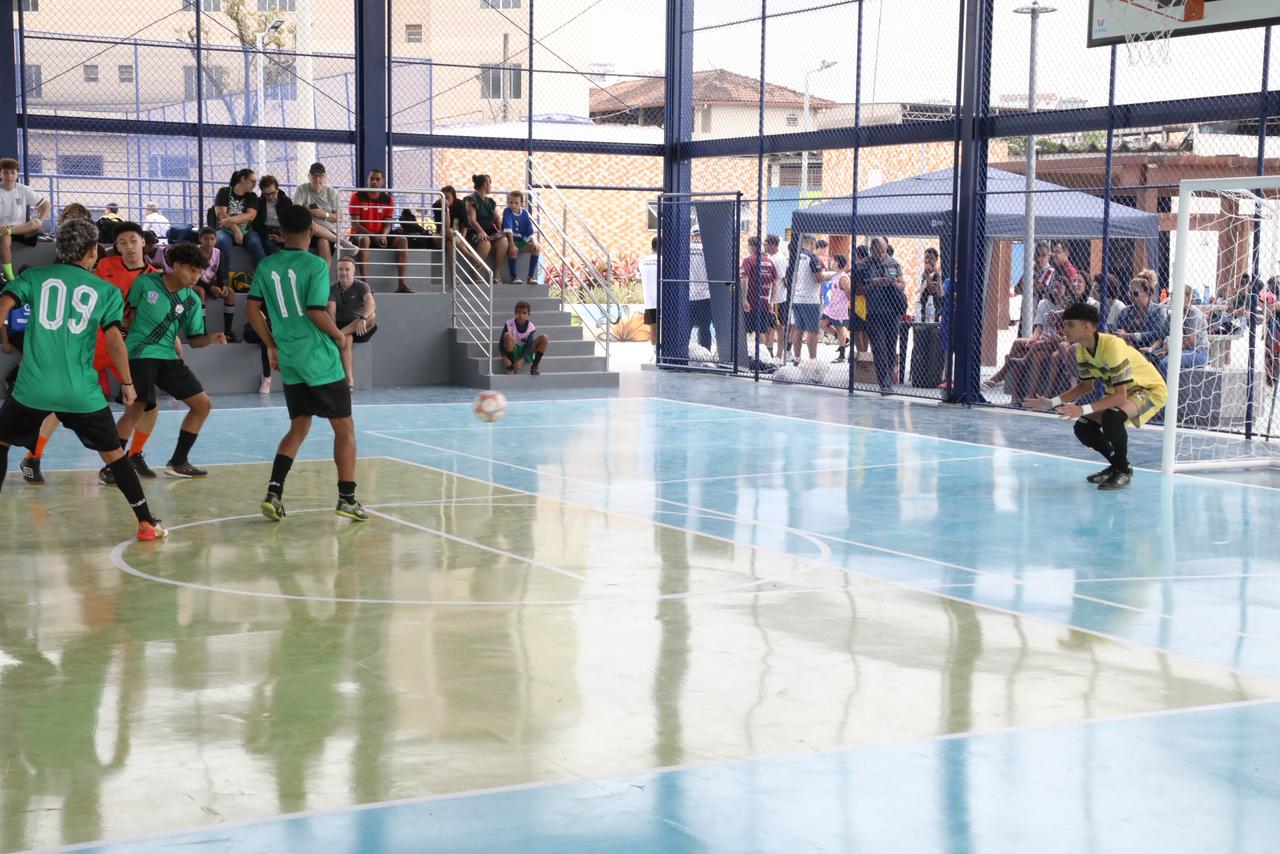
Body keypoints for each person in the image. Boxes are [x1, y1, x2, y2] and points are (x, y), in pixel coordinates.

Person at [0, 217, 167, 541]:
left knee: (3, 440)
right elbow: (116, 339)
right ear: (93, 251)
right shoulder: (105, 291)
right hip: (81, 393)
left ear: (60, 248)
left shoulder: (34, 277)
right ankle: (146, 522)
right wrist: (128, 384)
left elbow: (4, 303)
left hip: (33, 389)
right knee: (115, 456)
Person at [247, 203, 366, 523]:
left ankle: (274, 492)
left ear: (280, 233)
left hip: (289, 357)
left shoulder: (266, 265)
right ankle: (347, 498)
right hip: (318, 357)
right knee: (344, 427)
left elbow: (251, 309)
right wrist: (339, 338)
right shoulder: (315, 264)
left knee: (299, 426)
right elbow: (316, 311)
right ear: (312, 231)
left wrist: (271, 344)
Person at [111, 241, 227, 481]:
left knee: (202, 404)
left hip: (168, 357)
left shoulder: (192, 300)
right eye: (191, 270)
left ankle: (178, 461)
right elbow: (128, 317)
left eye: (199, 272)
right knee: (137, 407)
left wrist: (211, 339)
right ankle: (113, 466)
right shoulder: (146, 283)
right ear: (175, 265)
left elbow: (195, 340)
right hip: (141, 353)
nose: (195, 277)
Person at [1027, 301, 1168, 490]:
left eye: (1070, 324)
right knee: (1083, 427)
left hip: (1148, 389)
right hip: (1125, 393)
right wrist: (1051, 402)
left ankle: (1123, 471)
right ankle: (1119, 465)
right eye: (1065, 324)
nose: (1065, 329)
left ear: (1086, 327)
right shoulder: (1081, 351)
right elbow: (1085, 386)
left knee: (1112, 418)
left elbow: (1119, 396)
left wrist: (1082, 409)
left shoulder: (1112, 346)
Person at [92, 221, 164, 481]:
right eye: (122, 243)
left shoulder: (155, 277)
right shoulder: (105, 267)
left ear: (143, 242)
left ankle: (134, 454)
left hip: (129, 349)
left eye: (133, 240)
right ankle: (34, 457)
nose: (129, 247)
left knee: (146, 404)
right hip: (97, 343)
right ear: (116, 247)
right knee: (62, 402)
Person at [349, 168, 412, 293]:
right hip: (361, 235)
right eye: (372, 178)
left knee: (402, 240)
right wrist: (373, 236)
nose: (374, 182)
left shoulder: (388, 200)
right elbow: (355, 224)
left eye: (377, 179)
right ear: (367, 180)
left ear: (382, 182)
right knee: (365, 240)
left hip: (378, 235)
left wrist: (383, 235)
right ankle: (365, 285)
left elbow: (387, 224)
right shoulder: (356, 196)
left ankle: (401, 284)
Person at [856, 236, 906, 393]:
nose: (882, 256)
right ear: (872, 250)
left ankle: (888, 381)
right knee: (878, 348)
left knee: (891, 347)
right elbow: (857, 290)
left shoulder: (893, 263)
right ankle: (883, 383)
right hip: (874, 313)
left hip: (892, 313)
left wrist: (893, 283)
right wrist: (874, 283)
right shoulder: (863, 265)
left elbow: (902, 284)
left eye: (884, 252)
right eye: (879, 252)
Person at [328, 257, 377, 391]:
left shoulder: (362, 286)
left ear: (353, 272)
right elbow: (331, 313)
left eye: (347, 269)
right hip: (341, 326)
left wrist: (363, 318)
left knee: (372, 315)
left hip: (362, 326)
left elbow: (371, 303)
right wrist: (333, 330)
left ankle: (340, 334)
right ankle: (349, 380)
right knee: (347, 338)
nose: (343, 272)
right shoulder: (332, 288)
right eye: (340, 270)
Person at [0, 157, 50, 282]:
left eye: (13, 172)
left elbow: (46, 205)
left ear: (17, 173)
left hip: (20, 229)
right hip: (2, 230)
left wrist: (41, 219)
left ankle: (10, 231)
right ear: (0, 173)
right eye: (6, 172)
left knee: (35, 223)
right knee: (5, 238)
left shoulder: (23, 189)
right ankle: (10, 277)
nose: (9, 175)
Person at [213, 168, 265, 282]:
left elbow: (250, 216)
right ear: (242, 179)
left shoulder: (252, 196)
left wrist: (230, 220)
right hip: (226, 230)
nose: (254, 185)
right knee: (220, 241)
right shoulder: (224, 192)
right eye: (252, 181)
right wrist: (236, 229)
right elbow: (221, 215)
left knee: (255, 243)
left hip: (247, 231)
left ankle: (263, 278)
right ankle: (223, 280)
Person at [1146, 285, 1209, 377]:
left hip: (1197, 351)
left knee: (1166, 363)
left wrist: (1169, 351)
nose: (1173, 298)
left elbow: (1190, 341)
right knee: (1149, 358)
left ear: (1188, 297)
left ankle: (1166, 390)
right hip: (1177, 350)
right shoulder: (1172, 316)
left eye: (1178, 295)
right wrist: (1151, 349)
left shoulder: (1194, 313)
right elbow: (1161, 338)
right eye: (1172, 295)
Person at [293, 162, 343, 265]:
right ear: (309, 176)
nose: (317, 179)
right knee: (311, 230)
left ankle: (324, 278)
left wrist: (324, 214)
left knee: (323, 242)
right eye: (314, 176)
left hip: (327, 233)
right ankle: (341, 241)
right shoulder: (301, 189)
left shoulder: (331, 192)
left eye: (320, 176)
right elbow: (295, 212)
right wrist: (310, 212)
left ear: (325, 178)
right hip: (307, 230)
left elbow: (340, 218)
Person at [463, 174, 509, 278]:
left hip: (490, 232)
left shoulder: (489, 202)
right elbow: (472, 220)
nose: (491, 186)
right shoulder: (471, 200)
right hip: (475, 232)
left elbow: (497, 218)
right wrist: (481, 231)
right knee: (486, 243)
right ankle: (476, 271)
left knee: (504, 241)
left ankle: (496, 271)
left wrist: (501, 230)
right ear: (485, 184)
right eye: (490, 183)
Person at [788, 235, 824, 363]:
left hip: (796, 298)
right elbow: (819, 278)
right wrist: (829, 276)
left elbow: (788, 278)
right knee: (812, 331)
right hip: (810, 299)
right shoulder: (812, 257)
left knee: (798, 329)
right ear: (812, 243)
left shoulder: (794, 257)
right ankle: (812, 360)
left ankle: (797, 358)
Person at [740, 236, 778, 354]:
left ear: (751, 246)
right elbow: (775, 284)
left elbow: (744, 280)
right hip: (764, 302)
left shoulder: (748, 260)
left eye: (748, 246)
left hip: (751, 302)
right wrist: (771, 302)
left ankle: (744, 355)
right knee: (761, 331)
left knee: (744, 330)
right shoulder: (769, 261)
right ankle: (761, 356)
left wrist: (744, 299)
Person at [499, 300, 549, 376]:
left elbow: (529, 345)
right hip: (513, 349)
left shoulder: (530, 326)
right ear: (515, 313)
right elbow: (500, 344)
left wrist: (522, 360)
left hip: (526, 351)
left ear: (528, 314)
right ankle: (511, 367)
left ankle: (534, 367)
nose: (521, 315)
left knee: (544, 337)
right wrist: (504, 357)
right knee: (507, 335)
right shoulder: (509, 324)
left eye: (524, 313)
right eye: (519, 312)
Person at [501, 190, 540, 285]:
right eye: (510, 202)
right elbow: (508, 229)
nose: (513, 205)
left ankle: (530, 276)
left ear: (521, 203)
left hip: (521, 241)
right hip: (510, 240)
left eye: (516, 203)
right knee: (513, 250)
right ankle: (513, 277)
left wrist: (534, 241)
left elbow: (529, 230)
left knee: (537, 248)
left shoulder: (525, 213)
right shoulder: (507, 211)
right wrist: (512, 245)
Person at [821, 253, 850, 363]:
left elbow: (848, 294)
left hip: (840, 308)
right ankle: (843, 340)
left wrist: (848, 306)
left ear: (838, 263)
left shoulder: (843, 278)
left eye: (834, 261)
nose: (831, 262)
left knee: (840, 329)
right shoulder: (835, 275)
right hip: (832, 307)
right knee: (822, 323)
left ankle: (842, 355)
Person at [687, 226, 712, 353]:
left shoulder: (686, 249)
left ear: (692, 235)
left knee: (687, 326)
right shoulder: (708, 249)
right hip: (705, 294)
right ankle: (705, 353)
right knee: (704, 327)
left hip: (689, 294)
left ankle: (683, 353)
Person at [254, 175, 293, 256]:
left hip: (283, 231)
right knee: (270, 247)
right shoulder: (259, 202)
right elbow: (256, 224)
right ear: (262, 192)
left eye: (273, 193)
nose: (271, 197)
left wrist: (284, 237)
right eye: (267, 194)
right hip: (267, 232)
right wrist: (268, 235)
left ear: (277, 190)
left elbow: (291, 221)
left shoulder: (285, 201)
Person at [639, 236, 659, 360]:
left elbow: (637, 278)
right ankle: (664, 352)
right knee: (665, 327)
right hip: (663, 300)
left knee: (653, 327)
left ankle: (655, 352)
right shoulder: (664, 260)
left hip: (649, 300)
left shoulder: (642, 261)